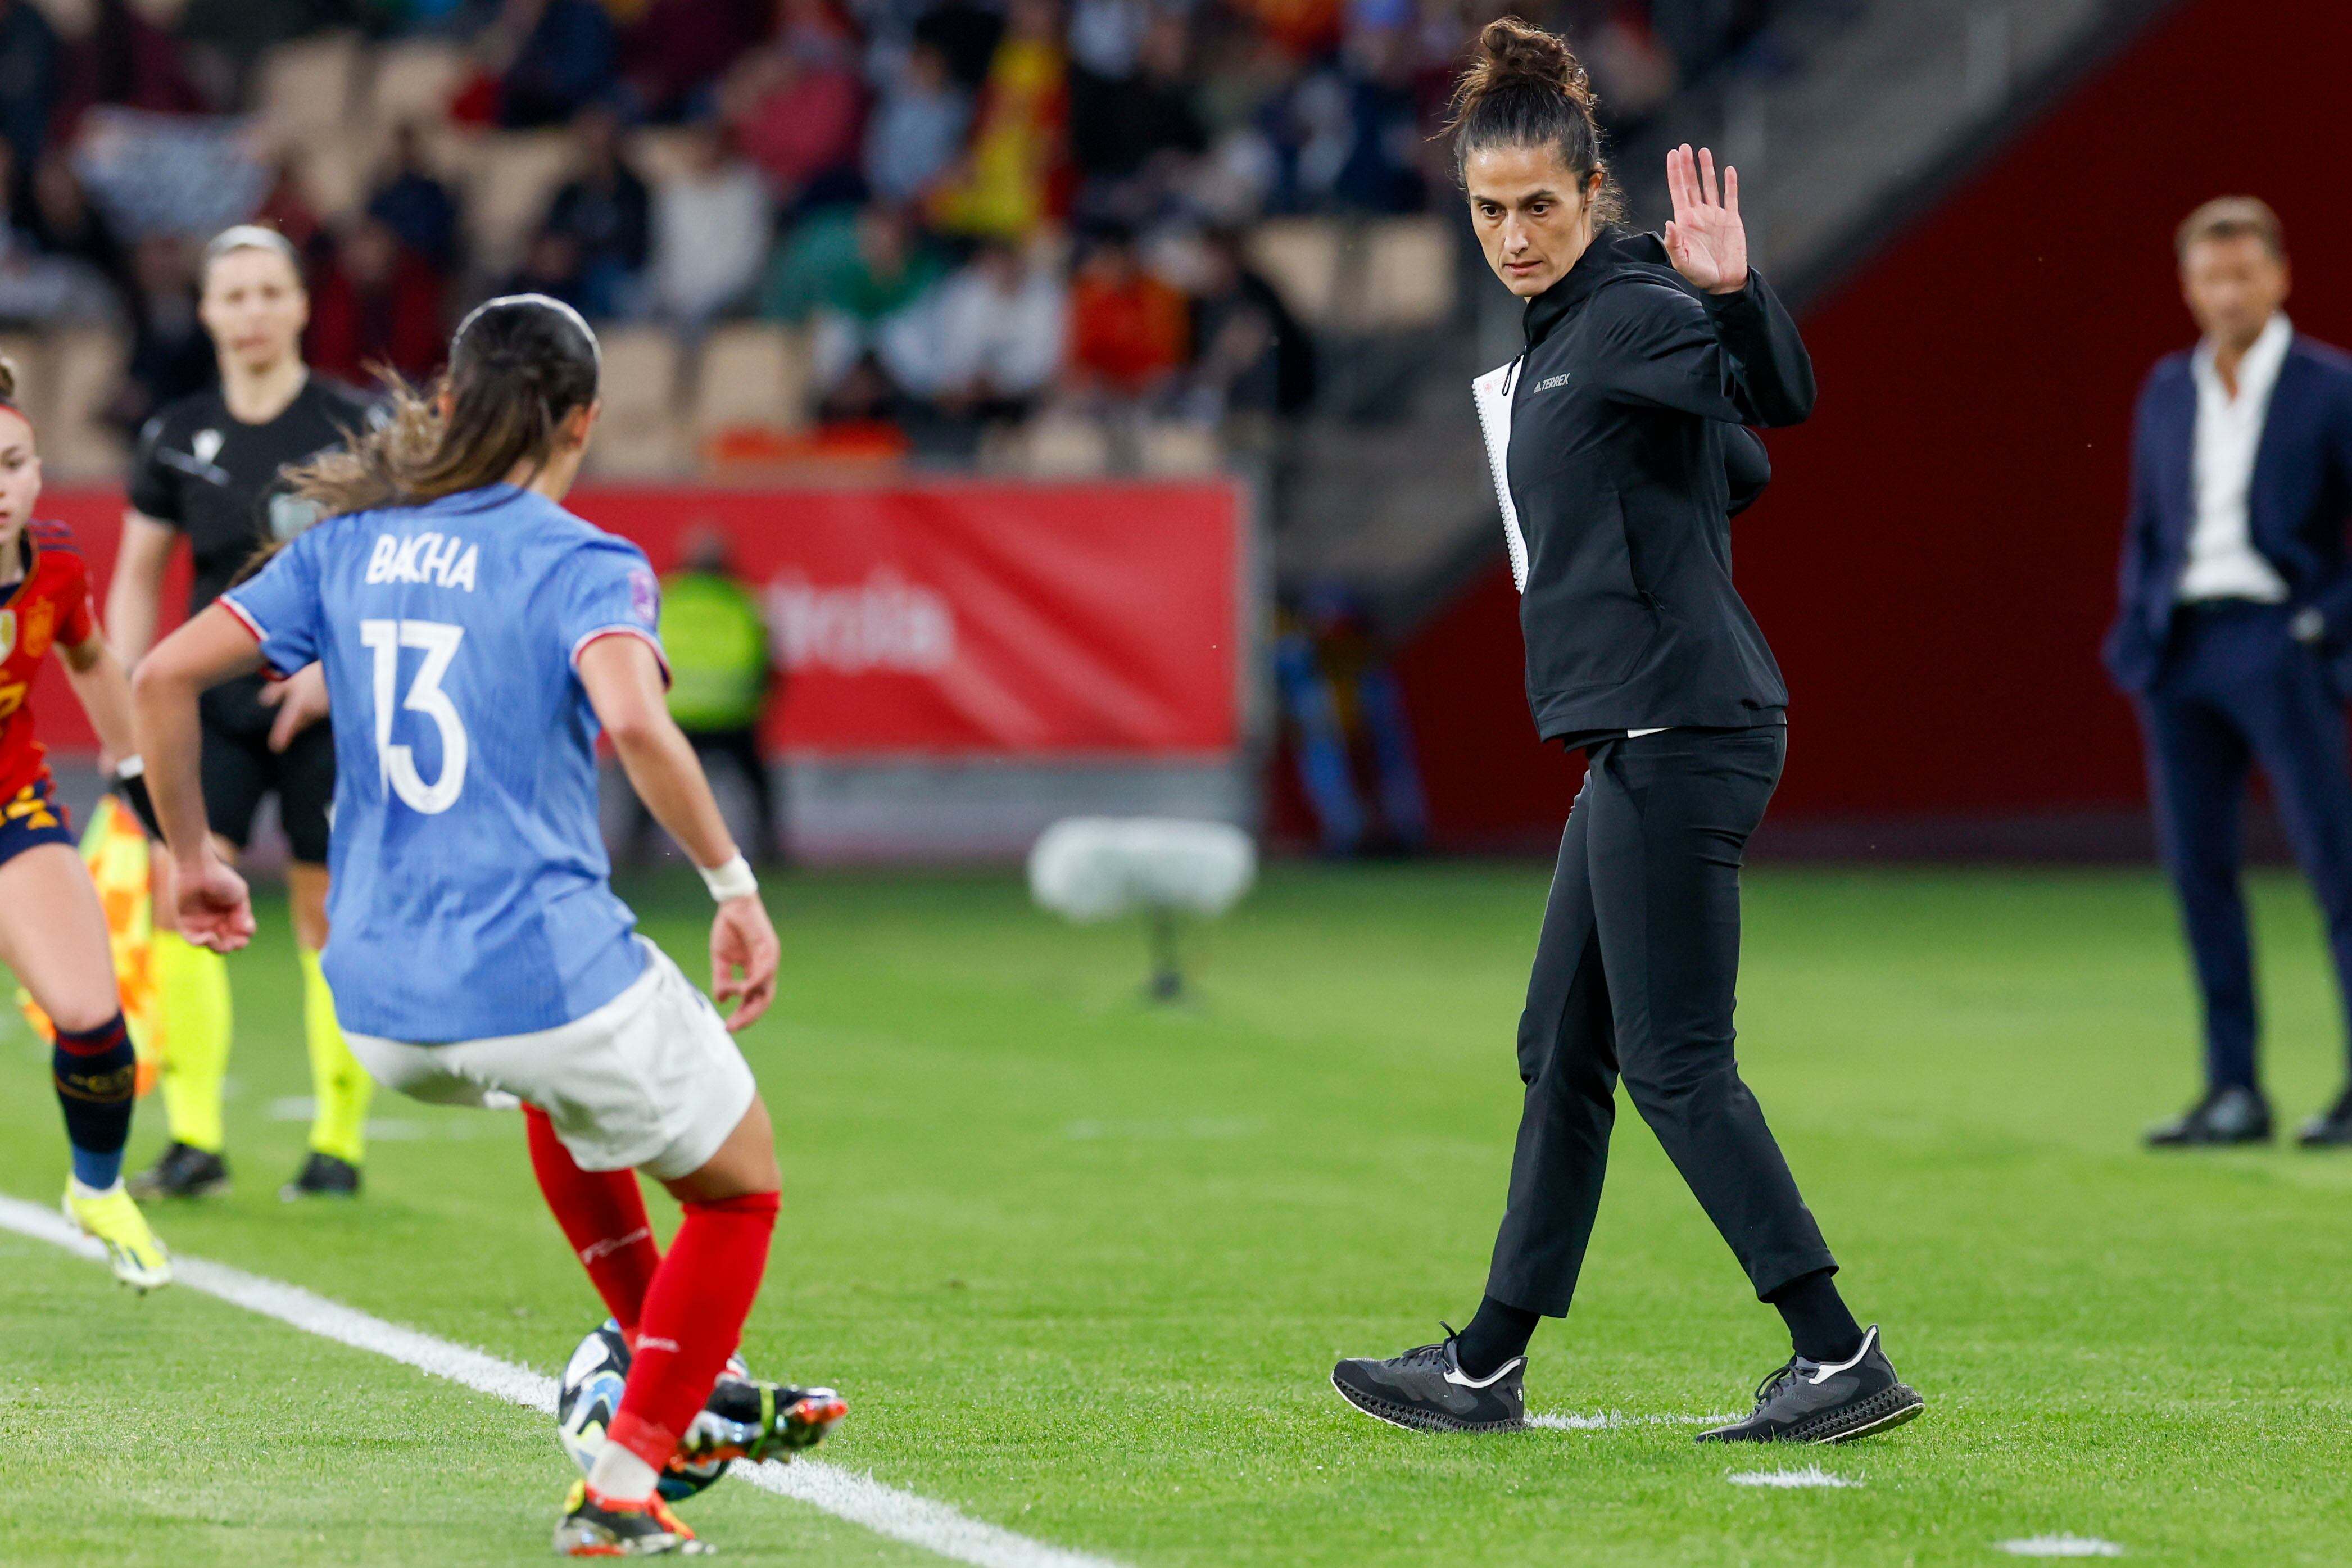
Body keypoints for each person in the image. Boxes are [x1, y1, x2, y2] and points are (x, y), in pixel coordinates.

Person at [129, 293, 845, 1556]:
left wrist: (195, 860)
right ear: (584, 423)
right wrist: (735, 889)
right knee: (739, 1194)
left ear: (448, 408)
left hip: (382, 1002)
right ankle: (626, 1475)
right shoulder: (584, 560)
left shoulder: (347, 543)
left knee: (564, 1100)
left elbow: (159, 677)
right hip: (539, 972)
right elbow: (633, 723)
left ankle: (674, 1380)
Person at [1329, 20, 1923, 1445]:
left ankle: (1835, 1350)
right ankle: (1481, 1362)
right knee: (1563, 1045)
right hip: (1642, 732)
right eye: (1488, 209)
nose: (1514, 233)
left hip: (1680, 723)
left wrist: (1728, 296)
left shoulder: (1638, 307)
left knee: (1669, 1061)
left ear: (1593, 195)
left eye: (1540, 204)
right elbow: (1735, 467)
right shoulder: (1557, 343)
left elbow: (1773, 401)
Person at [108, 225, 378, 1203]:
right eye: (236, 295)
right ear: (210, 312)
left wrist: (330, 674)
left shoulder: (359, 424)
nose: (254, 310)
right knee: (185, 890)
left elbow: (385, 574)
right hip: (210, 710)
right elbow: (139, 578)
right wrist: (132, 703)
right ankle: (195, 1142)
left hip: (328, 706)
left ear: (303, 304)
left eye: (272, 292)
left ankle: (338, 1146)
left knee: (323, 916)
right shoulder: (176, 432)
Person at [2103, 197, 2352, 1149]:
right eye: (2213, 276)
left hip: (2278, 642)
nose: (2230, 292)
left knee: (2335, 871)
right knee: (2200, 875)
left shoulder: (2330, 388)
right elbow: (2150, 526)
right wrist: (2139, 631)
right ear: (2189, 286)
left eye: (2246, 273)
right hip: (2182, 650)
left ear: (2281, 276)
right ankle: (2233, 1090)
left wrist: (2318, 624)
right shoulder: (2169, 388)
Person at [0, 354, 173, 1290]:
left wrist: (141, 794)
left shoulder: (56, 564)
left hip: (11, 808)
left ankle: (97, 1189)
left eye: (13, 463)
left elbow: (95, 661)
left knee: (96, 1023)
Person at [629, 526, 782, 864]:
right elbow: (770, 664)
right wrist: (757, 704)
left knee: (646, 781)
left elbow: (637, 655)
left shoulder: (666, 596)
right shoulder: (742, 600)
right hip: (732, 717)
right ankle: (771, 847)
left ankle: (636, 849)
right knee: (757, 784)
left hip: (674, 714)